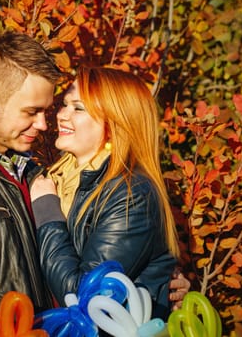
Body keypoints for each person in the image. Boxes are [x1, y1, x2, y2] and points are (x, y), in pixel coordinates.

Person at [0, 33, 190, 336]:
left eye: (47, 110)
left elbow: (90, 263)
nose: (44, 124)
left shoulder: (39, 175)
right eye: (31, 112)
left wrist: (155, 287)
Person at [30, 65, 185, 320]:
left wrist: (48, 212)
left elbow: (84, 297)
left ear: (114, 125)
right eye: (65, 104)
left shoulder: (131, 195)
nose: (62, 115)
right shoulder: (55, 178)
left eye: (78, 108)